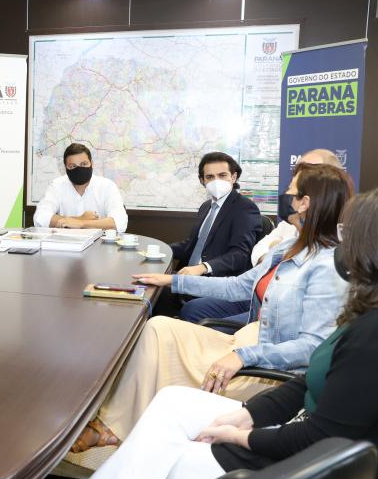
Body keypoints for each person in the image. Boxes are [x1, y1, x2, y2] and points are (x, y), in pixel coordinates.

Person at [30, 183, 378, 479]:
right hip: (298, 430)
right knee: (172, 401)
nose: (342, 245)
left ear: (377, 246)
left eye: (349, 234)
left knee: (180, 462)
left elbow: (320, 434)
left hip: (313, 467)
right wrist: (248, 414)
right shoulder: (373, 311)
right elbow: (309, 381)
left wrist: (243, 437)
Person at [67, 164, 351, 456]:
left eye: (291, 191)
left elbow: (313, 347)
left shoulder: (327, 266)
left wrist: (244, 356)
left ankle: (118, 428)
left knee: (161, 360)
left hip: (267, 366)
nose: (285, 196)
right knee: (158, 328)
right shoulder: (289, 246)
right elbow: (238, 286)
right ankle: (120, 422)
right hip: (245, 340)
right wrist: (172, 281)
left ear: (304, 203)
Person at [180, 149, 347, 326]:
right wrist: (274, 253)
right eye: (299, 171)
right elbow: (257, 252)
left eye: (311, 171)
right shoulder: (289, 227)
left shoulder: (333, 247)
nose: (302, 176)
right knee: (191, 310)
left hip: (275, 311)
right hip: (258, 293)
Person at [152, 152, 263, 317]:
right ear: (202, 181)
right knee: (150, 292)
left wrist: (203, 267)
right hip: (187, 277)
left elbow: (240, 254)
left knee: (163, 297)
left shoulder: (245, 208)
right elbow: (193, 245)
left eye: (222, 175)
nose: (216, 181)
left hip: (218, 283)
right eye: (210, 177)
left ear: (233, 177)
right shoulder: (206, 207)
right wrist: (160, 249)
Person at [33, 143, 128, 232]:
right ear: (65, 168)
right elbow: (40, 217)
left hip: (99, 242)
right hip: (66, 242)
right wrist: (80, 218)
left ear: (92, 164)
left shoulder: (107, 186)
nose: (79, 169)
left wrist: (82, 223)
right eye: (73, 166)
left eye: (84, 164)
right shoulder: (57, 185)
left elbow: (119, 221)